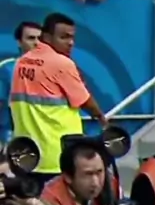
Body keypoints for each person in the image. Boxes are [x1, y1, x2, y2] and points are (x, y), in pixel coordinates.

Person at [10, 13, 106, 188]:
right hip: (57, 156)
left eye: (72, 37)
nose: (71, 43)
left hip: (26, 156)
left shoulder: (21, 63)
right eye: (64, 37)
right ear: (46, 37)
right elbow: (85, 101)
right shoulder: (62, 63)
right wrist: (100, 116)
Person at [0, 21, 41, 147]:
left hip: (45, 136)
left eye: (40, 38)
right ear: (19, 42)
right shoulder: (7, 68)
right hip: (13, 137)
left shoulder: (55, 69)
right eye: (31, 38)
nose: (37, 43)